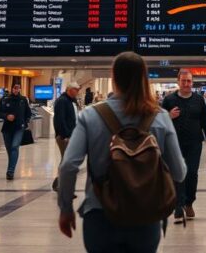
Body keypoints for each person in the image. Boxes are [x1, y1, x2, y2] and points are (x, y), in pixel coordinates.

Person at [58, 52, 186, 252]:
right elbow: (179, 172)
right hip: (145, 217)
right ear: (144, 79)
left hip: (100, 215)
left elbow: (68, 166)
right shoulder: (160, 117)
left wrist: (66, 209)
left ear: (114, 78)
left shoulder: (91, 115)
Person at [161, 69, 206, 223]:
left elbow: (205, 120)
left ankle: (189, 202)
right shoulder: (169, 100)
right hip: (174, 143)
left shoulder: (198, 100)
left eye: (189, 81)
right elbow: (159, 120)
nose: (186, 84)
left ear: (192, 82)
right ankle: (178, 208)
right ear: (178, 82)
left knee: (191, 173)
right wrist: (168, 115)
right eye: (183, 81)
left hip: (194, 143)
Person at [0, 82, 32, 180]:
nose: (17, 90)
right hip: (7, 128)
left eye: (18, 88)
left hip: (19, 128)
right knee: (9, 150)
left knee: (14, 147)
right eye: (15, 88)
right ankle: (11, 166)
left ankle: (10, 171)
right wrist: (7, 116)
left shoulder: (23, 100)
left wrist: (25, 122)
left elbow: (28, 113)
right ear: (12, 89)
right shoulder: (4, 99)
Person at [52, 81, 81, 190]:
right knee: (67, 160)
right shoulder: (62, 101)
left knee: (67, 160)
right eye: (76, 90)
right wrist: (65, 135)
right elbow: (60, 120)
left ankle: (59, 183)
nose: (77, 92)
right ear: (69, 90)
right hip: (64, 136)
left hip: (72, 135)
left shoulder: (72, 101)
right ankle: (60, 184)